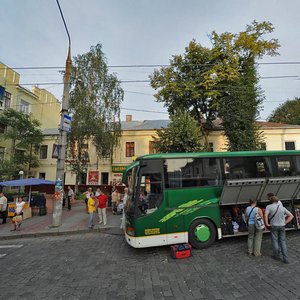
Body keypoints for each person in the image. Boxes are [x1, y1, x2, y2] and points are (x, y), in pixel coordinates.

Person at [264, 196, 294, 264]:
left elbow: (265, 215)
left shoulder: (269, 207)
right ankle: (286, 258)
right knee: (283, 242)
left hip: (273, 226)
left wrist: (267, 224)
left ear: (271, 200)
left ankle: (276, 255)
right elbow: (291, 216)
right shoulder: (282, 207)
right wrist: (285, 222)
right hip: (282, 226)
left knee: (275, 241)